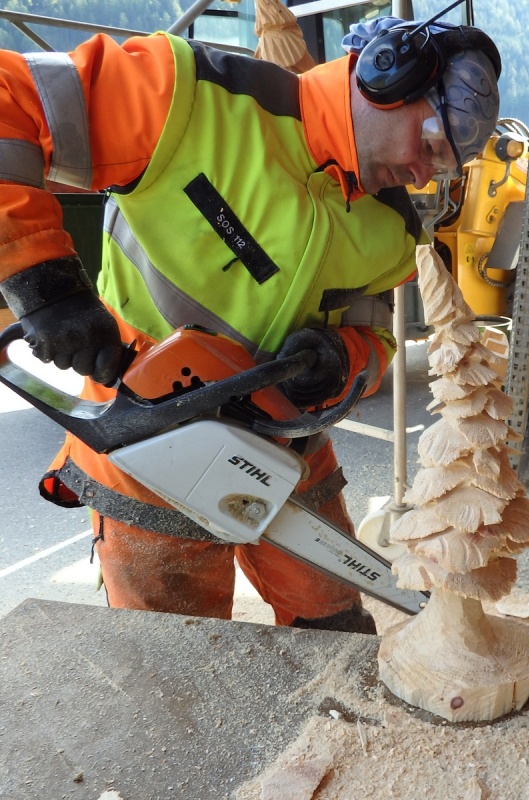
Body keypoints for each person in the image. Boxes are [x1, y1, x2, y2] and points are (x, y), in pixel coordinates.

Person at [0, 16, 501, 632]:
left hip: (285, 444)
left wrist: (340, 360)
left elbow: (377, 338)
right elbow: (10, 97)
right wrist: (44, 285)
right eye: (429, 144)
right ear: (384, 76)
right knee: (175, 654)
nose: (424, 175)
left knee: (335, 631)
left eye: (443, 164)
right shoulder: (187, 94)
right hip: (144, 435)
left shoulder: (393, 230)